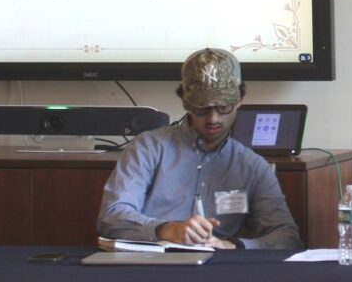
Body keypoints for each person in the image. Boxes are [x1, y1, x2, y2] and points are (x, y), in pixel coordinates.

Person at [97, 47, 301, 250]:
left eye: (223, 107)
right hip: (150, 263)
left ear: (240, 98)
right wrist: (167, 230)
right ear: (185, 102)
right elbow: (111, 217)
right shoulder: (148, 148)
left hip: (218, 267)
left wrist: (233, 246)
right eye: (202, 108)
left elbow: (287, 237)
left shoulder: (252, 166)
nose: (213, 118)